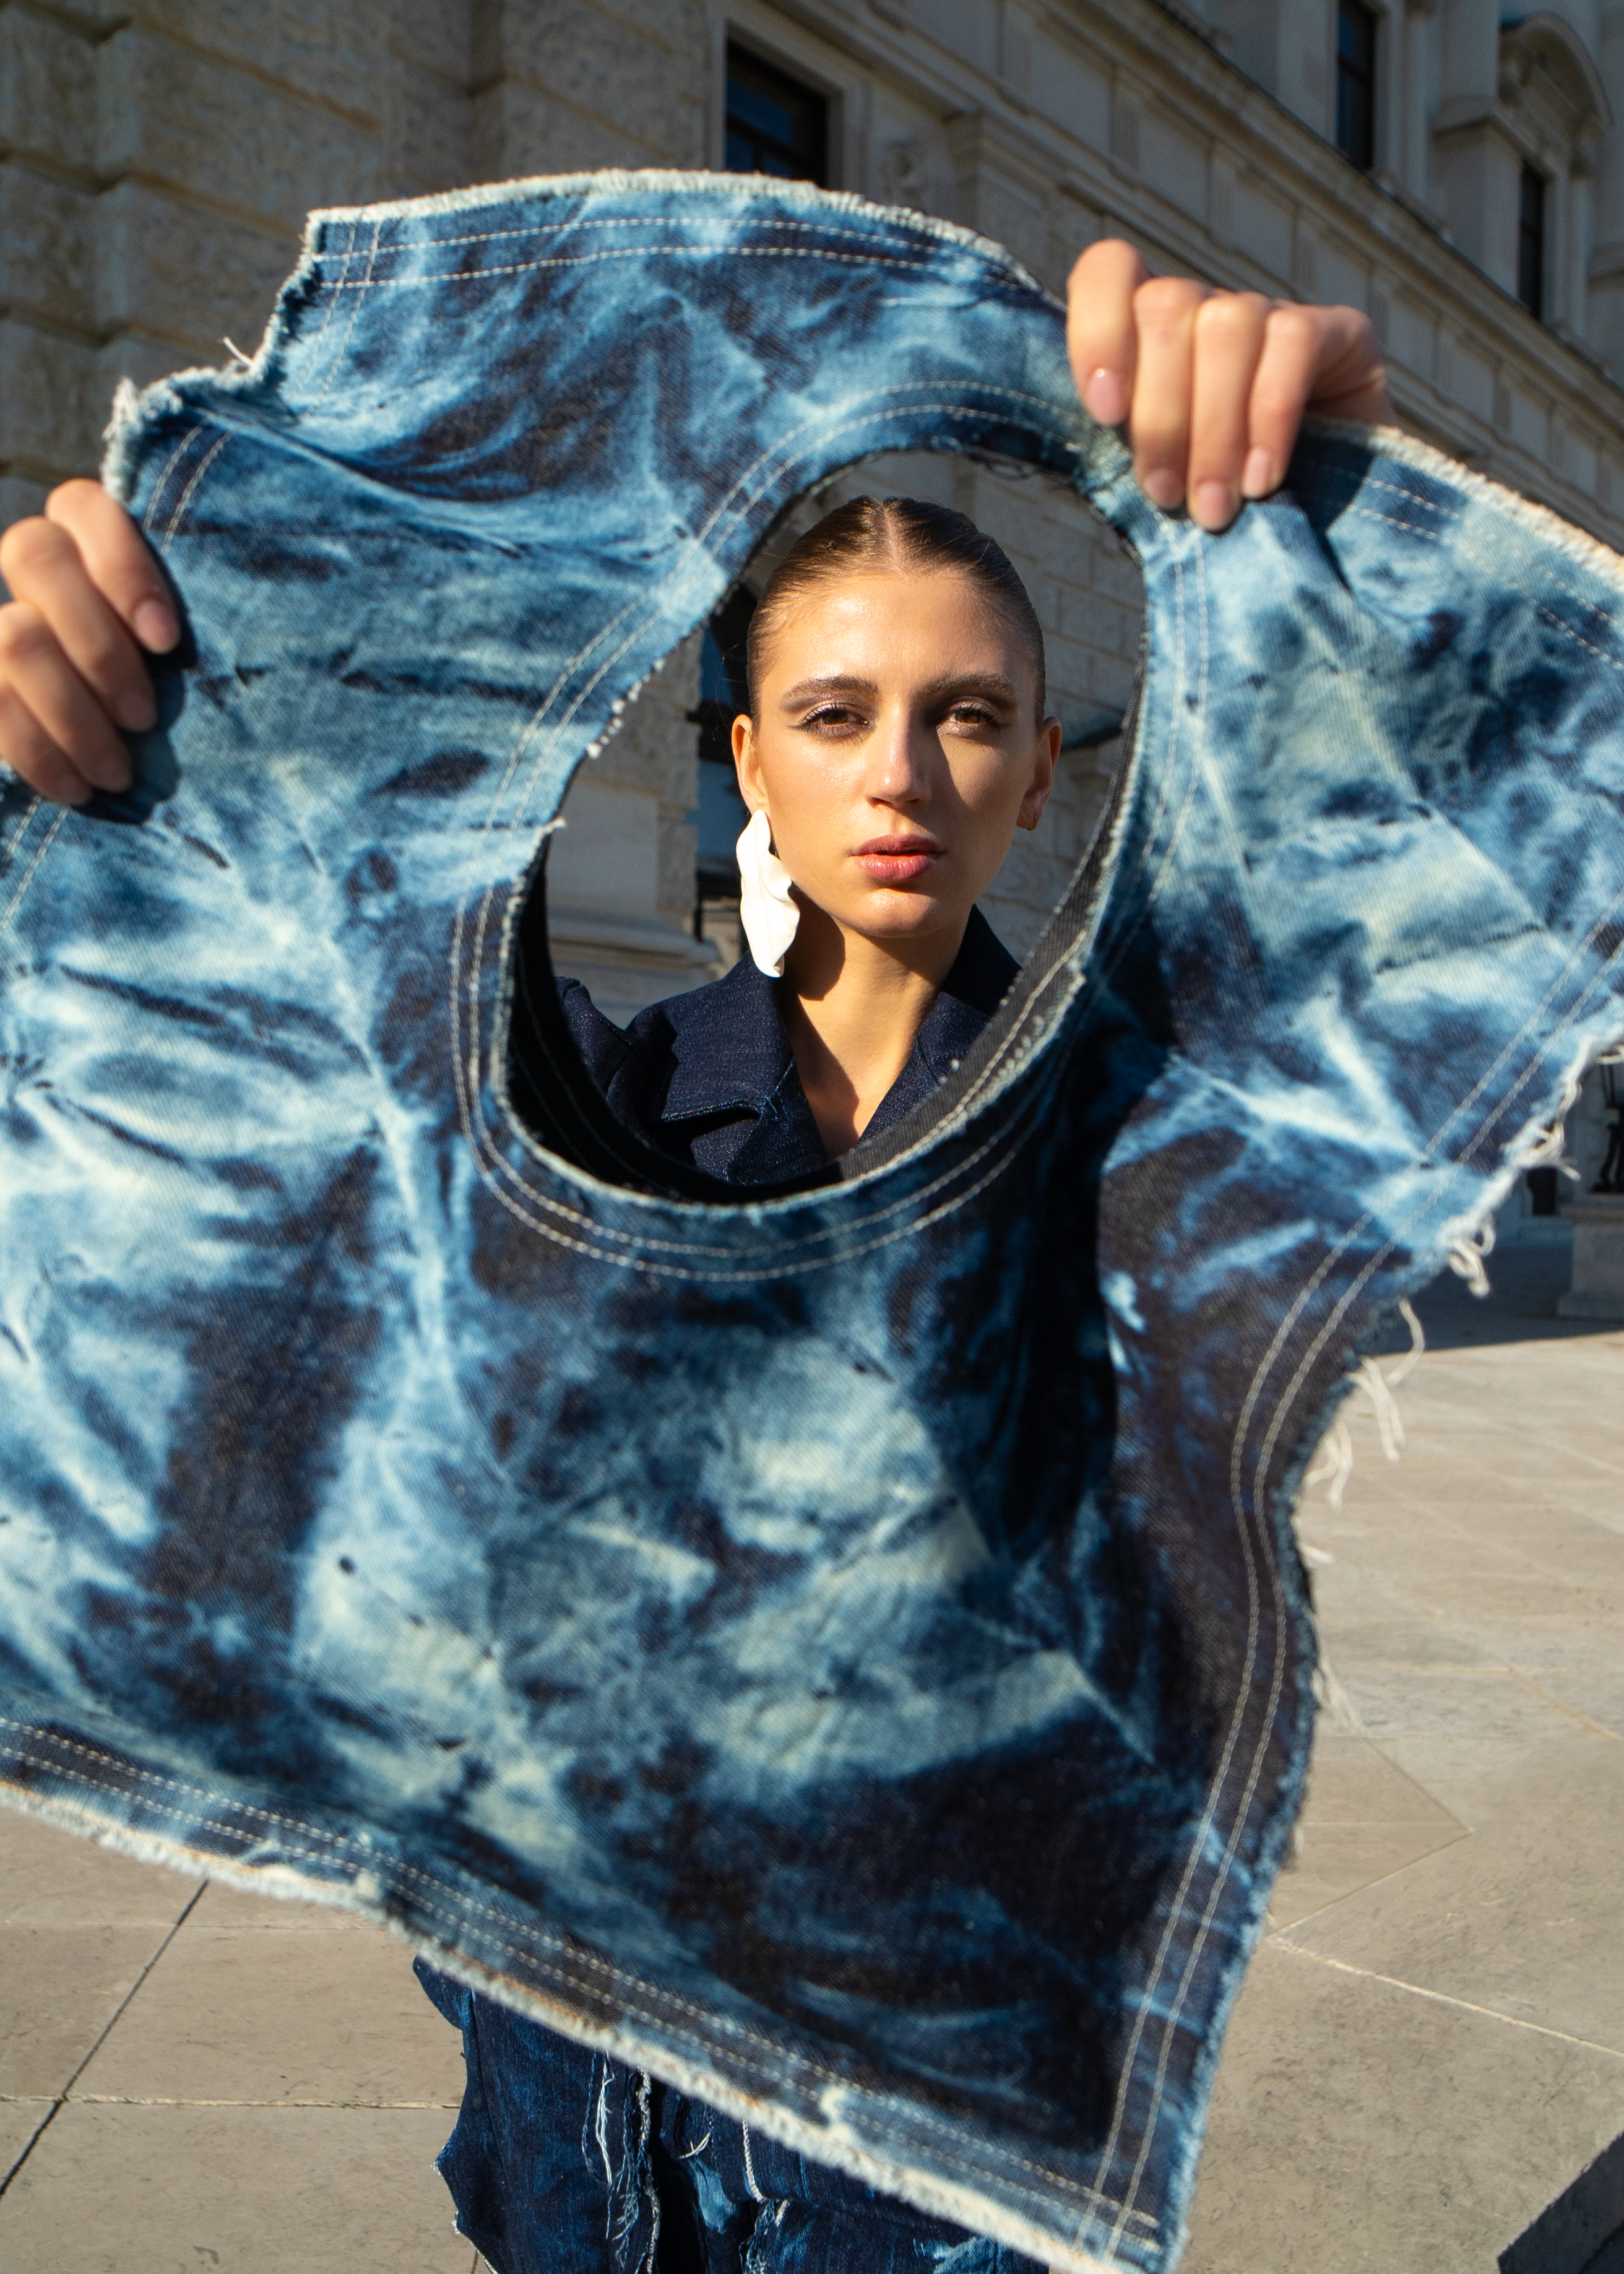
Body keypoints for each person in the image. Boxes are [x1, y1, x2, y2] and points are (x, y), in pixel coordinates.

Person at [0, 241, 1391, 2269]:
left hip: (928, 2152)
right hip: (576, 2125)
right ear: (749, 760)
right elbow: (284, 1035)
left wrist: (1335, 538)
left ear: (1041, 772)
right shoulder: (593, 1092)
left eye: (968, 717)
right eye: (835, 713)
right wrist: (112, 742)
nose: (900, 777)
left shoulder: (1130, 1138)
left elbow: (1342, 938)